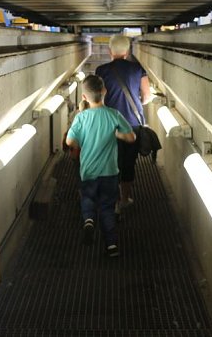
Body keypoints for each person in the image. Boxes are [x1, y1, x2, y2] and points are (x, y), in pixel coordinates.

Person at [65, 75, 136, 257]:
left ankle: (89, 220)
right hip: (110, 172)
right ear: (105, 91)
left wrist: (81, 141)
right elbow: (131, 137)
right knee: (107, 207)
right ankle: (111, 245)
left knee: (88, 198)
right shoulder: (114, 114)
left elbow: (70, 141)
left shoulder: (81, 117)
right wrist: (117, 134)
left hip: (88, 171)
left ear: (84, 97)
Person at [95, 34, 152, 212]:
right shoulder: (137, 69)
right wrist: (134, 102)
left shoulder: (101, 71)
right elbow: (147, 96)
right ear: (127, 51)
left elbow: (98, 98)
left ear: (110, 51)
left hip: (108, 124)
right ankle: (125, 198)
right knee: (128, 163)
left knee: (109, 162)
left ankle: (111, 200)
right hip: (132, 124)